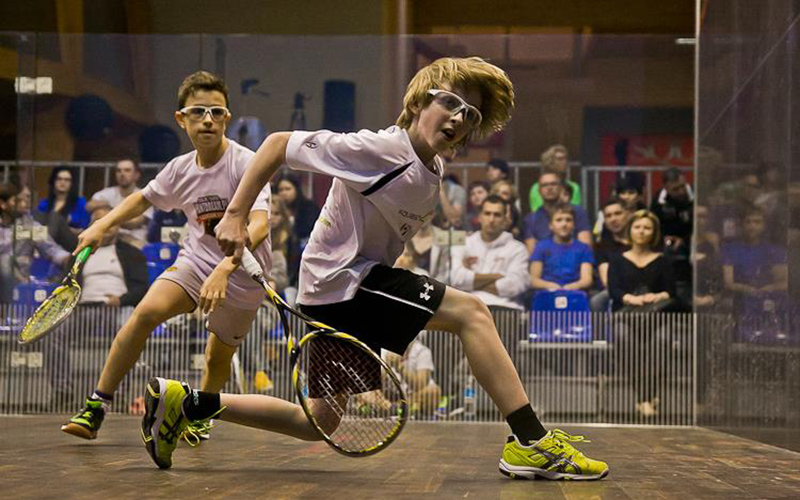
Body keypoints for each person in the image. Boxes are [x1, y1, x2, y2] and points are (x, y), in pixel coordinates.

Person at [151, 57, 607, 480]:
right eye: (450, 102)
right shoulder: (380, 149)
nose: (458, 117)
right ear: (419, 101)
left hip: (336, 288)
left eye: (470, 114)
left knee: (319, 421)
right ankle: (531, 441)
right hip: (343, 283)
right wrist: (234, 214)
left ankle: (187, 402)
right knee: (472, 313)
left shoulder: (431, 165)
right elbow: (276, 145)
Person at [60, 71, 272, 443]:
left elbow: (260, 225)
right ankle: (96, 406)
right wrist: (102, 224)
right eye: (198, 111)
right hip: (196, 263)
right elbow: (142, 198)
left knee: (216, 358)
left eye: (217, 112)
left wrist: (226, 267)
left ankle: (200, 418)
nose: (208, 119)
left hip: (243, 273)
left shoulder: (246, 163)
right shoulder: (179, 169)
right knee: (145, 313)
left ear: (226, 117)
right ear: (181, 118)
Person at [47, 206, 149, 410]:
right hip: (83, 310)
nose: (106, 227)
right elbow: (66, 283)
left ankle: (117, 394)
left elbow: (142, 287)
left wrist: (121, 300)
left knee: (128, 332)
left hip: (118, 309)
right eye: (98, 223)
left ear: (117, 225)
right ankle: (62, 392)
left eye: (110, 223)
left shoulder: (132, 253)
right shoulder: (80, 254)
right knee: (53, 334)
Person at [607, 210, 678, 418]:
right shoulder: (617, 260)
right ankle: (645, 397)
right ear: (630, 230)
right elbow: (614, 291)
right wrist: (631, 299)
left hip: (656, 317)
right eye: (637, 227)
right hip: (626, 316)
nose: (641, 231)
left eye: (647, 228)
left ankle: (647, 397)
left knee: (663, 340)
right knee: (623, 338)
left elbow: (671, 291)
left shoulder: (664, 261)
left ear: (654, 232)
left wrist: (657, 296)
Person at [450, 195, 530, 311]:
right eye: (487, 213)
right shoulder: (464, 244)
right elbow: (455, 279)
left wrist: (470, 282)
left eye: (497, 215)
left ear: (505, 220)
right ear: (480, 217)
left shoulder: (518, 249)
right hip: (467, 307)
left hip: (504, 308)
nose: (491, 219)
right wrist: (496, 276)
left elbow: (514, 286)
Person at [0, 183, 70, 302]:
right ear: (3, 204)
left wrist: (68, 258)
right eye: (17, 201)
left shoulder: (31, 226)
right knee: (4, 261)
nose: (24, 204)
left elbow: (51, 249)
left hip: (19, 283)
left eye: (25, 199)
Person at [87, 159, 153, 248]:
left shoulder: (144, 196)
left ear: (136, 175)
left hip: (134, 241)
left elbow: (134, 222)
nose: (122, 174)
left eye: (127, 170)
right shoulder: (104, 193)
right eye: (119, 171)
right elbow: (90, 206)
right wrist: (122, 216)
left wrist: (108, 211)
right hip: (107, 240)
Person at [522, 171, 592, 255]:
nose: (549, 188)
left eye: (553, 184)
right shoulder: (531, 219)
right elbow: (533, 254)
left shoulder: (578, 212)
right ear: (539, 190)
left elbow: (586, 249)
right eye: (545, 185)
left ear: (561, 188)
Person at [529, 204, 594, 292]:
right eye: (559, 220)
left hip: (575, 293)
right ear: (551, 225)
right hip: (546, 292)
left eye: (568, 220)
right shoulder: (541, 247)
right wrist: (553, 286)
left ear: (574, 224)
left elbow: (587, 280)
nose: (564, 224)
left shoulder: (583, 248)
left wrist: (568, 288)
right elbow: (533, 280)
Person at [590, 199, 631, 311]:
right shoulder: (601, 246)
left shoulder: (641, 241)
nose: (613, 219)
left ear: (628, 214)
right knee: (597, 301)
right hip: (617, 290)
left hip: (645, 288)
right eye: (608, 216)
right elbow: (607, 281)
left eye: (618, 213)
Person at [528, 145, 581, 212]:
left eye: (566, 159)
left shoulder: (574, 187)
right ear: (549, 161)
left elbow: (575, 211)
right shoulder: (537, 187)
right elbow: (538, 211)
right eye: (560, 159)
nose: (564, 162)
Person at [37, 167, 90, 233]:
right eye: (59, 179)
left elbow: (84, 227)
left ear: (72, 183)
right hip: (48, 237)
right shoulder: (44, 204)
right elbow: (38, 226)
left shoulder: (80, 203)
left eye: (67, 180)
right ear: (53, 182)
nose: (62, 182)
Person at [276, 173, 320, 244]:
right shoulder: (274, 209)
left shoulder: (309, 208)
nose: (284, 193)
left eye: (288, 189)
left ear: (296, 189)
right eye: (280, 190)